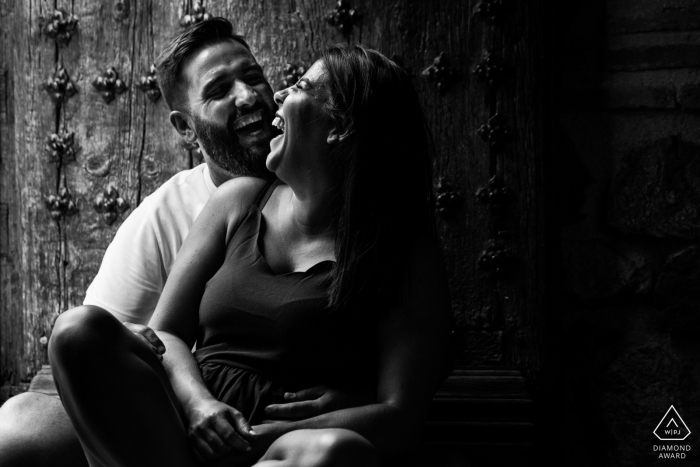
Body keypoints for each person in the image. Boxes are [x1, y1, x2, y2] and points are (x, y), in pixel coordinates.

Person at [48, 40, 453, 467]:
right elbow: (166, 335)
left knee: (333, 453)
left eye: (300, 86)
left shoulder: (405, 250)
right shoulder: (237, 201)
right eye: (219, 88)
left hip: (278, 447)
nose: (278, 94)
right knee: (76, 328)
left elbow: (401, 415)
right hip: (185, 426)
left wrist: (267, 435)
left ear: (340, 127)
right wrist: (199, 406)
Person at [0, 18, 368, 467]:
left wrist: (357, 399)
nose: (249, 97)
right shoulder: (165, 215)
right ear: (185, 128)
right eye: (218, 91)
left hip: (271, 418)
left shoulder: (336, 195)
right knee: (17, 425)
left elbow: (398, 366)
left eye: (253, 77)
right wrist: (195, 399)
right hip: (180, 410)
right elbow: (105, 351)